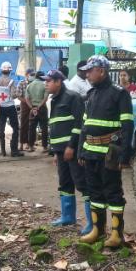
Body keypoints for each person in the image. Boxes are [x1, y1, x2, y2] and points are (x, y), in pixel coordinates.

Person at [78, 55, 134, 248]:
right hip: (90, 153)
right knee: (94, 192)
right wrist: (81, 150)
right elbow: (84, 125)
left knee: (113, 192)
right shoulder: (91, 94)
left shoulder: (119, 93)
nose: (87, 74)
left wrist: (125, 155)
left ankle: (117, 234)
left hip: (109, 154)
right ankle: (98, 230)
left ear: (101, 71)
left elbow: (127, 126)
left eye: (90, 70)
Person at [44, 70, 90, 231]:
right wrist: (55, 152)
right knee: (64, 183)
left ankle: (92, 223)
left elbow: (79, 125)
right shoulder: (54, 100)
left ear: (58, 82)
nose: (45, 84)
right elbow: (55, 125)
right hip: (60, 151)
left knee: (82, 183)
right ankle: (67, 216)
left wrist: (71, 146)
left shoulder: (72, 97)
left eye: (48, 81)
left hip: (72, 150)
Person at [0, 61, 23, 157]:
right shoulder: (11, 81)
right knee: (15, 128)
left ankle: (3, 151)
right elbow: (14, 95)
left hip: (0, 107)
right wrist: (18, 93)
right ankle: (14, 151)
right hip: (10, 107)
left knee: (1, 128)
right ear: (10, 71)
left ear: (1, 70)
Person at [26, 70, 49, 152]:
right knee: (44, 128)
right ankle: (45, 147)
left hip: (33, 108)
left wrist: (32, 108)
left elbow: (27, 99)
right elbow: (45, 98)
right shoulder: (44, 85)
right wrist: (39, 106)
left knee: (32, 128)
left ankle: (31, 146)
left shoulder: (29, 85)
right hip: (42, 108)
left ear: (35, 77)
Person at [17, 68, 32, 148]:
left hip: (33, 105)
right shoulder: (21, 83)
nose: (32, 76)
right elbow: (18, 96)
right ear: (26, 75)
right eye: (30, 74)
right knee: (23, 124)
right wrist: (26, 102)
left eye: (33, 75)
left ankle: (29, 143)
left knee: (31, 124)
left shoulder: (33, 83)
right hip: (24, 105)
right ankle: (21, 144)